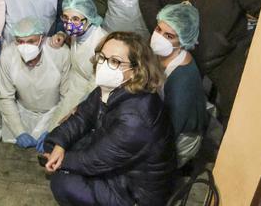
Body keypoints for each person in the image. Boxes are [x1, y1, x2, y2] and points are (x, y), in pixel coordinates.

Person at [43, 32, 175, 206]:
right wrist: (59, 144)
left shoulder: (136, 119)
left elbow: (94, 161)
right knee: (57, 145)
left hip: (135, 192)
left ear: (136, 70)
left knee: (63, 183)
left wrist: (60, 160)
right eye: (102, 57)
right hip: (120, 164)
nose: (103, 65)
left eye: (115, 61)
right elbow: (83, 116)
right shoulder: (112, 86)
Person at [0, 17, 70, 151]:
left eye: (31, 41)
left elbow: (66, 97)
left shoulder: (60, 54)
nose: (25, 46)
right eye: (20, 41)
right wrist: (19, 131)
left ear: (43, 38)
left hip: (53, 114)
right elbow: (5, 97)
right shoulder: (8, 55)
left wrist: (54, 128)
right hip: (21, 114)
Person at [151, 3, 208, 168]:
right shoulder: (164, 56)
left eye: (169, 36)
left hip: (181, 138)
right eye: (158, 29)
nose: (159, 37)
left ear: (183, 41)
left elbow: (171, 130)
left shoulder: (182, 81)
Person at [49, 0, 109, 122]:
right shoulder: (80, 32)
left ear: (89, 19)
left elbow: (96, 88)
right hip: (74, 88)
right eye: (65, 18)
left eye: (75, 19)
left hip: (92, 96)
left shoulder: (102, 43)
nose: (69, 24)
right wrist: (62, 34)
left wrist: (77, 110)